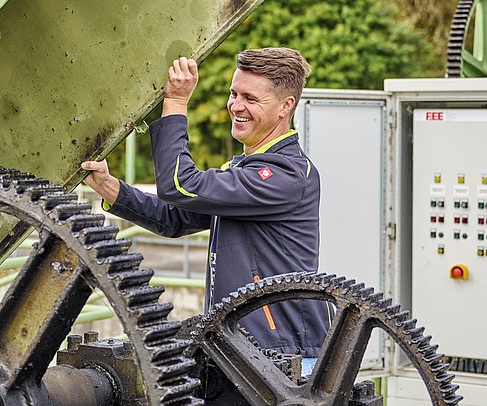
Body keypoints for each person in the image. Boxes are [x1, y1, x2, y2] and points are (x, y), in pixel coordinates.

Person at [81, 47, 332, 365]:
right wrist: (110, 188)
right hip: (240, 348)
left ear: (286, 106)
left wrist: (174, 103)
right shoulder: (246, 169)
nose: (236, 106)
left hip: (284, 355)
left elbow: (180, 184)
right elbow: (174, 219)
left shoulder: (285, 175)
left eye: (251, 99)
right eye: (234, 93)